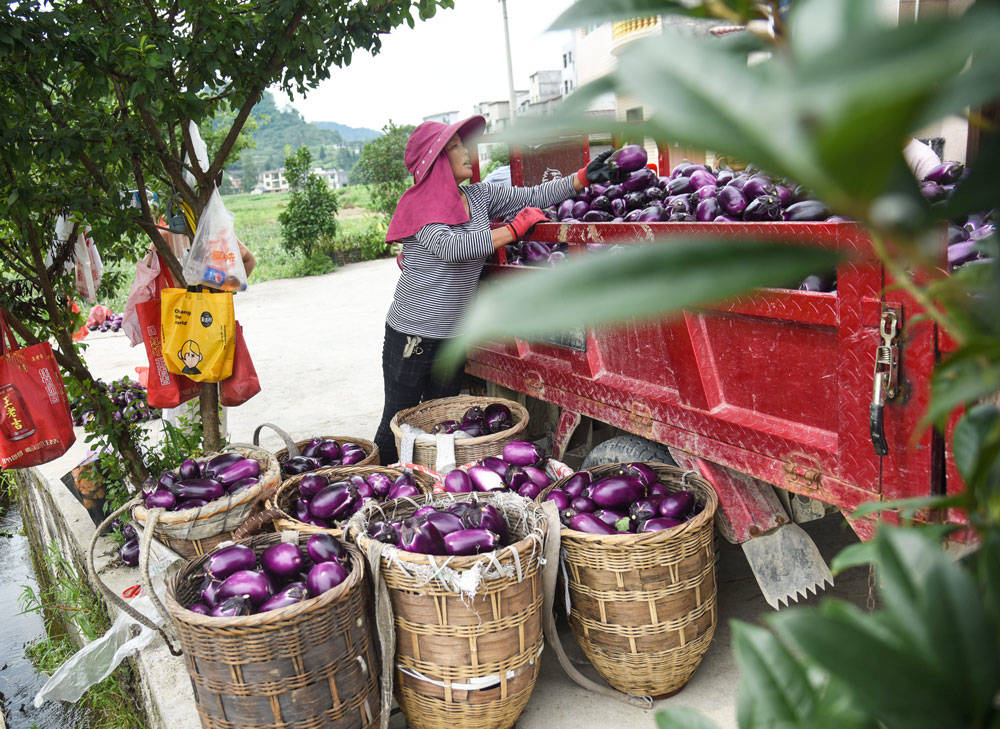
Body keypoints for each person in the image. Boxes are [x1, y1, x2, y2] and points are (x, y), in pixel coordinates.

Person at [372, 115, 620, 464]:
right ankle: (377, 483)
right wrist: (512, 231)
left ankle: (427, 490)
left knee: (443, 422)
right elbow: (454, 246)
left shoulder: (479, 196)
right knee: (398, 421)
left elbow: (532, 195)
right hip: (413, 336)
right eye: (454, 146)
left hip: (454, 336)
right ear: (436, 160)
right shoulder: (419, 209)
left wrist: (580, 178)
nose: (464, 151)